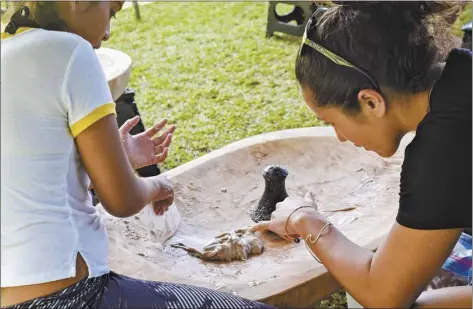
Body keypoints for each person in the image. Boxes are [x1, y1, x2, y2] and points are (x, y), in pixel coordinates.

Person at [0, 2, 274, 308]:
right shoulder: (71, 52)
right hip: (69, 296)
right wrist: (159, 186)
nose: (107, 31)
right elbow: (122, 201)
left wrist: (115, 160)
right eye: (113, 11)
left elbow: (31, 180)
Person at [251, 1, 472, 308]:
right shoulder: (462, 71)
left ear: (370, 102)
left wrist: (305, 217)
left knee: (364, 298)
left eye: (332, 122)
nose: (340, 137)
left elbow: (383, 296)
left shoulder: (444, 149)